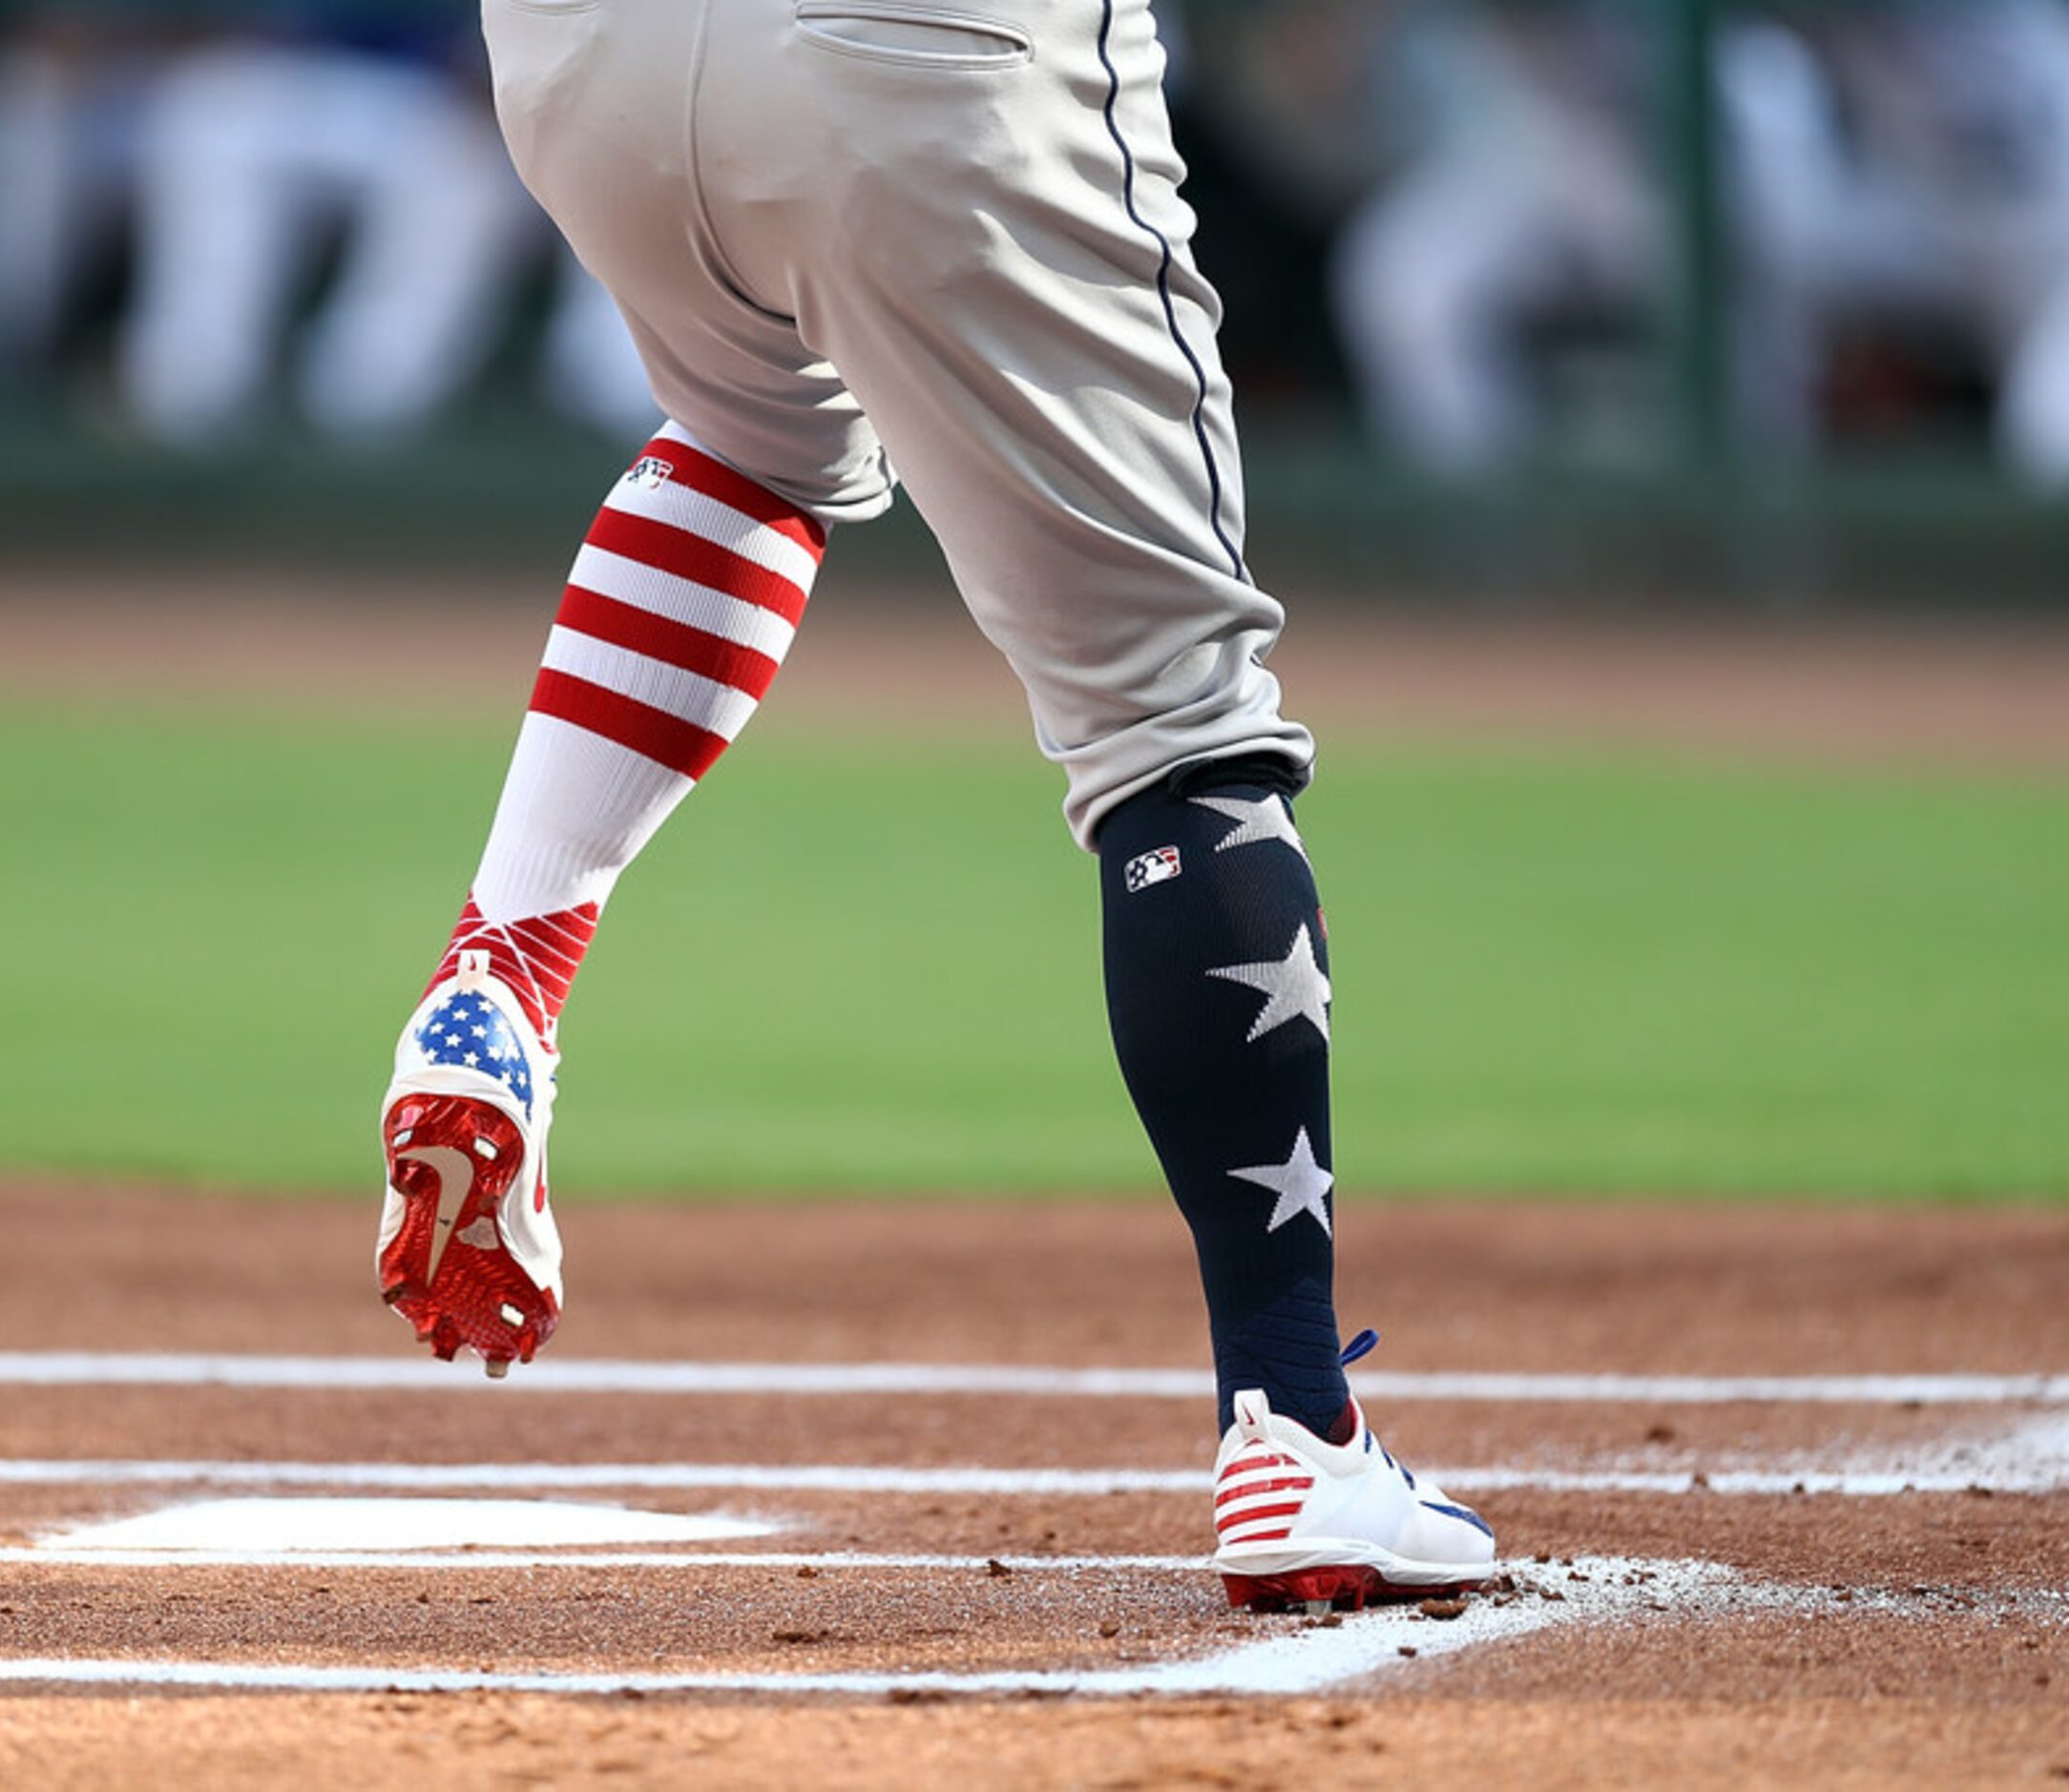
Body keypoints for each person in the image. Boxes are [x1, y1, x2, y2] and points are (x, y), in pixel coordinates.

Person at [371, 0, 1495, 1614]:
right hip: (910, 46)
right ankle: (1293, 1421)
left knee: (755, 439)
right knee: (1170, 719)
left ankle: (513, 954)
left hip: (578, 53)